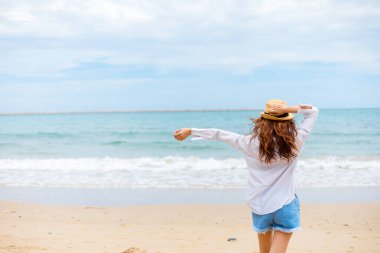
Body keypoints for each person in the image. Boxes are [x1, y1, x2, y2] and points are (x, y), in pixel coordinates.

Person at [173, 99, 319, 253]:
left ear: (262, 122)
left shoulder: (248, 143)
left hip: (260, 205)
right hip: (285, 204)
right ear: (288, 122)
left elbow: (220, 134)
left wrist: (190, 131)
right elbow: (313, 111)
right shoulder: (295, 142)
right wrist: (287, 109)